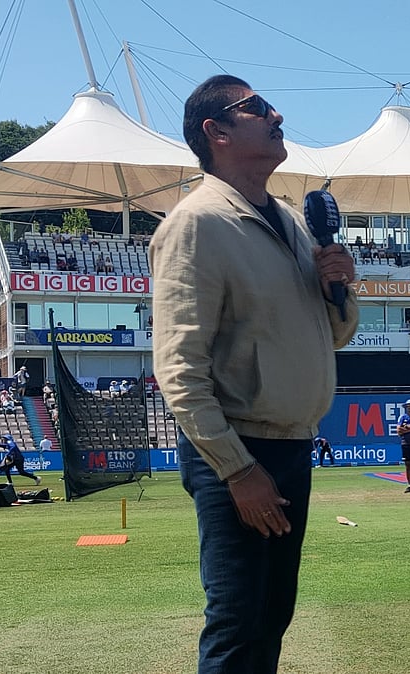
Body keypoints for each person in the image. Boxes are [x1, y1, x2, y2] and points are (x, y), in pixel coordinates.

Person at [149, 75, 358, 673]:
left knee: (270, 618)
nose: (276, 114)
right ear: (215, 132)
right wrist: (238, 471)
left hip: (290, 445)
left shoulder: (292, 222)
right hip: (240, 451)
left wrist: (338, 288)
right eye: (256, 108)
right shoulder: (197, 225)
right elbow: (178, 367)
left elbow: (333, 336)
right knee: (240, 624)